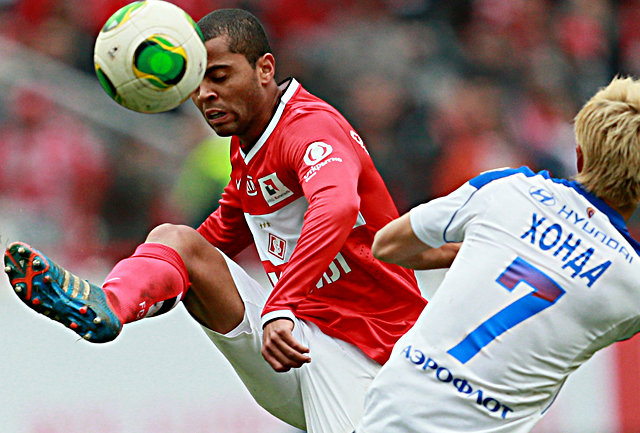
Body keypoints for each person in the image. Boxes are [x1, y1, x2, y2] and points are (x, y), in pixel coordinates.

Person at [2, 9, 429, 433]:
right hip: (294, 341)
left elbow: (336, 207)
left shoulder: (309, 128)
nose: (206, 94)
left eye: (220, 77)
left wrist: (281, 303)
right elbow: (204, 246)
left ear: (265, 69)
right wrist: (142, 292)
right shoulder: (249, 150)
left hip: (370, 353)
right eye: (197, 83)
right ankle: (108, 305)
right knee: (178, 244)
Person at [354, 75, 640, 433]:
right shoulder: (638, 285)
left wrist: (461, 252)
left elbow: (386, 245)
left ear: (580, 154)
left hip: (394, 408)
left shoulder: (507, 188)